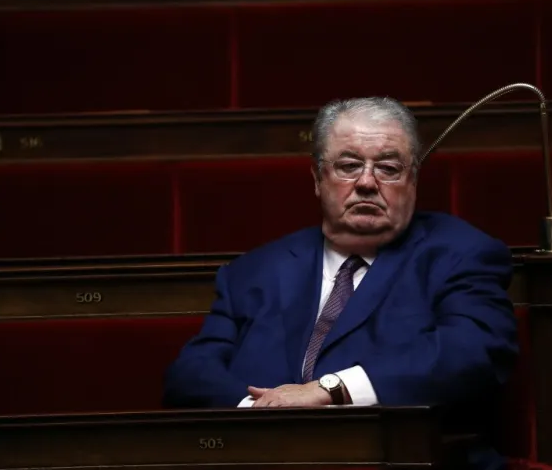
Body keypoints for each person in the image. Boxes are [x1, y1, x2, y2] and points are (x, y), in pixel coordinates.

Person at [163, 97, 518, 470]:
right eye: (349, 166)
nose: (366, 182)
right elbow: (190, 374)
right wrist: (261, 413)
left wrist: (329, 391)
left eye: (388, 168)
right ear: (317, 178)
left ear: (412, 180)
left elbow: (474, 353)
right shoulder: (253, 271)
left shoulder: (459, 253)